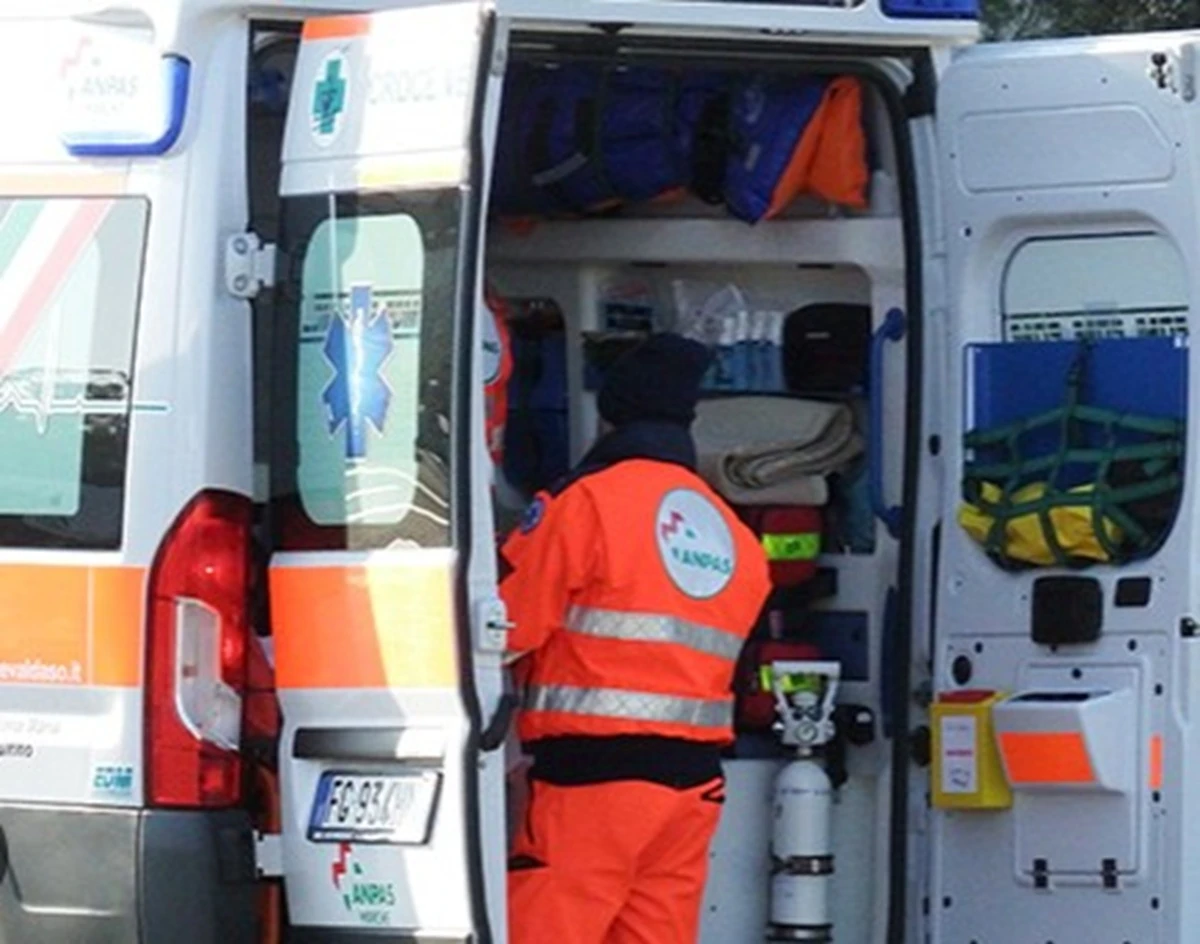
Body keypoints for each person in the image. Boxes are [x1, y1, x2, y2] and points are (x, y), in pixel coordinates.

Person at [499, 333, 771, 944]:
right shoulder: (731, 533)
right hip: (692, 788)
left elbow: (504, 627)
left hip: (594, 782)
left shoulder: (584, 503)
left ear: (611, 410)